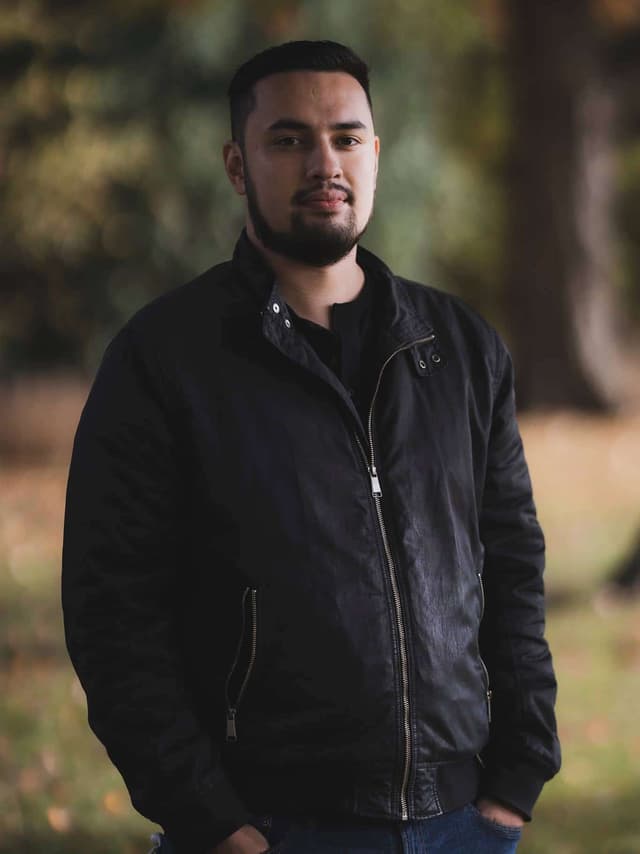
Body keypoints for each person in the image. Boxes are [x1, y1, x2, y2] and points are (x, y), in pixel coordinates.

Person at [62, 40, 561, 854]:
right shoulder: (166, 358)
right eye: (288, 139)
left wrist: (516, 780)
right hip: (269, 827)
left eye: (347, 137)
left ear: (375, 151)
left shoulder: (463, 350)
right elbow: (110, 610)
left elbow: (512, 569)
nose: (323, 161)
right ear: (236, 164)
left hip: (464, 825)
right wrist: (211, 820)